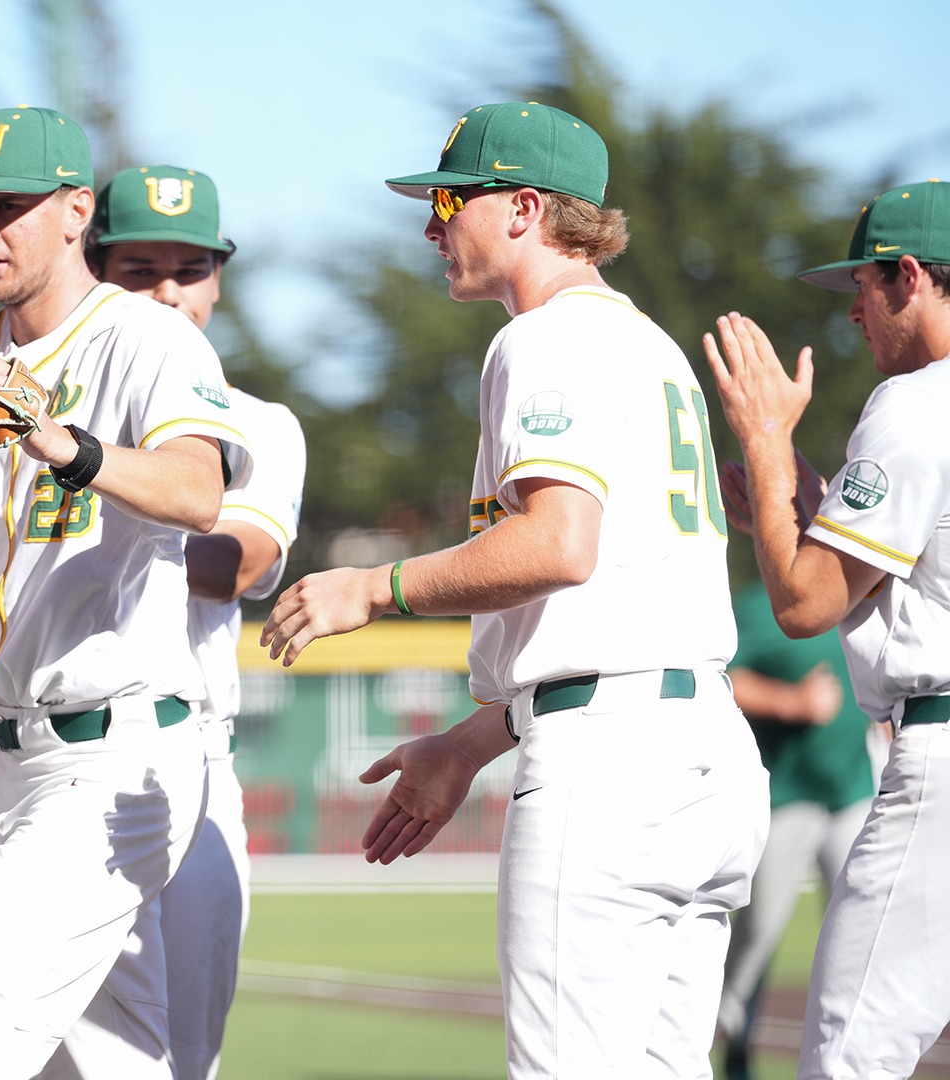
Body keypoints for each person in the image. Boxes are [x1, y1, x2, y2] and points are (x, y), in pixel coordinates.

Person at [262, 102, 768, 1076]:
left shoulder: (544, 338)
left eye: (451, 201)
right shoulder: (649, 345)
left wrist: (375, 588)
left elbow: (558, 545)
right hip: (706, 755)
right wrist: (465, 745)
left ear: (526, 209)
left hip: (611, 773)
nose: (431, 225)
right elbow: (611, 606)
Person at [0, 107, 241, 1078]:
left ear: (78, 210)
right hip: (13, 760)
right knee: (103, 1064)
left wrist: (65, 444)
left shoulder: (146, 338)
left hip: (114, 757)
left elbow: (199, 493)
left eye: (8, 207)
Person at [703, 178, 950, 1080]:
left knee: (848, 1056)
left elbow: (807, 603)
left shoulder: (919, 402)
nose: (853, 311)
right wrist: (801, 506)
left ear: (910, 276)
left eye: (863, 285)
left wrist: (768, 446)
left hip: (941, 767)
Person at [716, 582, 877, 1080]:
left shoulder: (854, 591)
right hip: (785, 799)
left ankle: (856, 1064)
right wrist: (791, 701)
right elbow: (722, 678)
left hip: (852, 793)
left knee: (863, 934)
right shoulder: (755, 607)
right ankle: (733, 1046)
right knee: (758, 934)